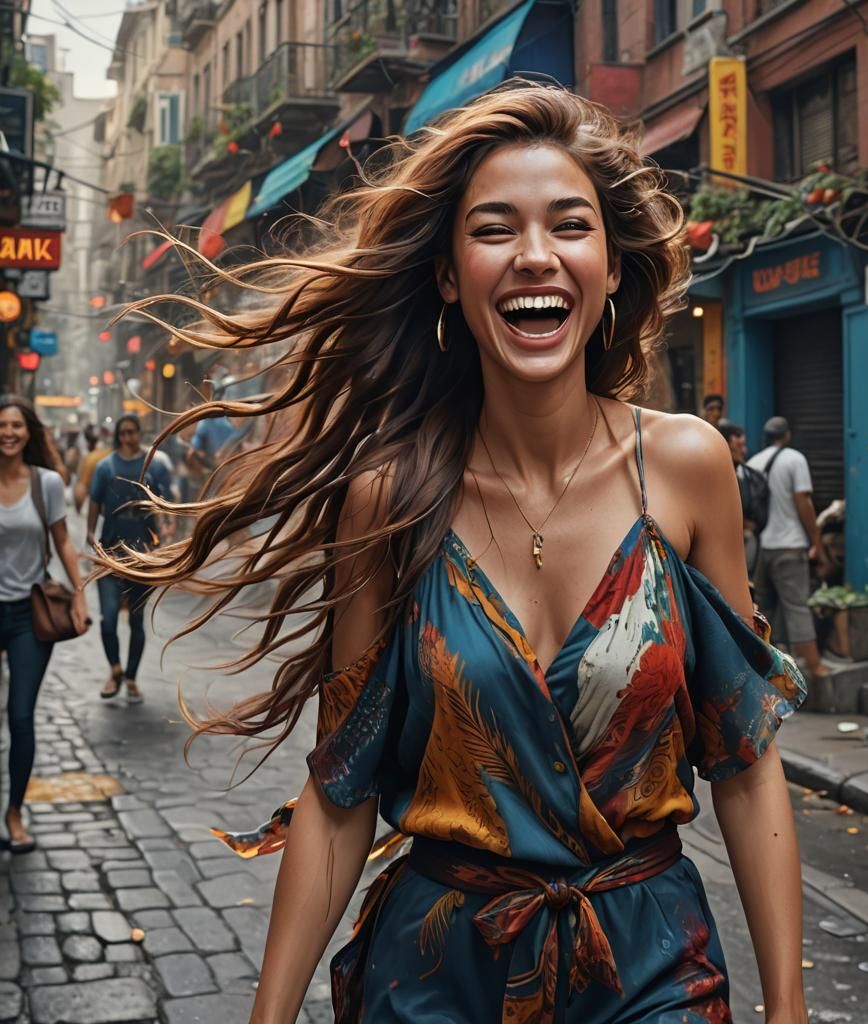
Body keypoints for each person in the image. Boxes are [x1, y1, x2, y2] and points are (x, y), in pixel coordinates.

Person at [96, 83, 809, 1024]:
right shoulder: (389, 499)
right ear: (446, 274)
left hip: (653, 968)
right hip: (436, 976)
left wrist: (788, 1009)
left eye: (569, 225)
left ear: (606, 263)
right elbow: (342, 792)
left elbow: (747, 761)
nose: (535, 256)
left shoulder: (685, 467)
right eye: (492, 230)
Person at [0, 395, 89, 852]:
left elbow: (64, 543)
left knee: (19, 715)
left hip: (27, 615)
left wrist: (78, 592)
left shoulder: (47, 483)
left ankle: (14, 813)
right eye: (2, 425)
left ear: (29, 433)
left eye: (16, 425)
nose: (8, 432)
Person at [87, 414, 171, 704]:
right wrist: (89, 535)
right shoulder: (105, 467)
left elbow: (160, 506)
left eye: (132, 432)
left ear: (138, 433)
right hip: (110, 555)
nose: (128, 437)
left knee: (136, 621)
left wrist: (162, 541)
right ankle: (115, 669)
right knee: (108, 619)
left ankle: (132, 677)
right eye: (123, 432)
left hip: (143, 556)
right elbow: (94, 503)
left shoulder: (153, 467)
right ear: (118, 435)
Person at [748, 416, 829, 680]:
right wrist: (816, 542)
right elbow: (803, 502)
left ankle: (765, 670)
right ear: (787, 435)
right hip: (790, 546)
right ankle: (814, 668)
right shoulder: (794, 459)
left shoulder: (753, 462)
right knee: (797, 607)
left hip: (761, 548)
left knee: (765, 610)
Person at [719, 419, 761, 575]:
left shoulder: (739, 477)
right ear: (727, 445)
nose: (744, 451)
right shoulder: (719, 477)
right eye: (740, 445)